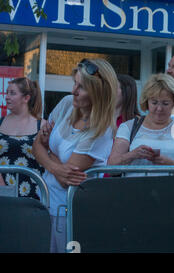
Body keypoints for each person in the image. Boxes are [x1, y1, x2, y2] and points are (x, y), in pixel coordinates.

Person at [32, 58, 117, 253]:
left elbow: (65, 180)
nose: (73, 91)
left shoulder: (101, 131)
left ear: (99, 93)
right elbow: (36, 146)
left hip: (69, 212)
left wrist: (47, 151)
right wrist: (54, 163)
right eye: (74, 83)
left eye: (81, 87)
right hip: (44, 202)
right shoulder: (67, 103)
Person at [108, 73, 174, 171]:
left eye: (165, 103)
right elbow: (111, 166)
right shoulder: (128, 127)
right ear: (146, 101)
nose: (159, 108)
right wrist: (133, 154)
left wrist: (172, 165)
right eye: (154, 102)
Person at [0, 77, 45, 199]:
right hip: (2, 192)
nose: (7, 97)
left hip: (33, 195)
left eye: (12, 93)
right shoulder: (0, 122)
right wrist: (2, 187)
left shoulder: (42, 126)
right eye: (7, 93)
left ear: (26, 98)